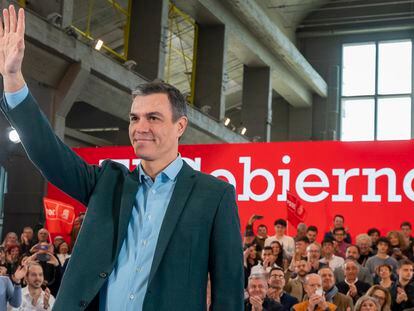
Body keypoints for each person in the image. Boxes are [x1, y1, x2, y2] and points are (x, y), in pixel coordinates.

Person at [0, 5, 243, 310]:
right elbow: (49, 152)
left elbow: (229, 290)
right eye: (135, 118)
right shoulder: (108, 182)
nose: (141, 128)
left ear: (180, 126)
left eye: (153, 117)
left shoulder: (214, 195)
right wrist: (12, 79)